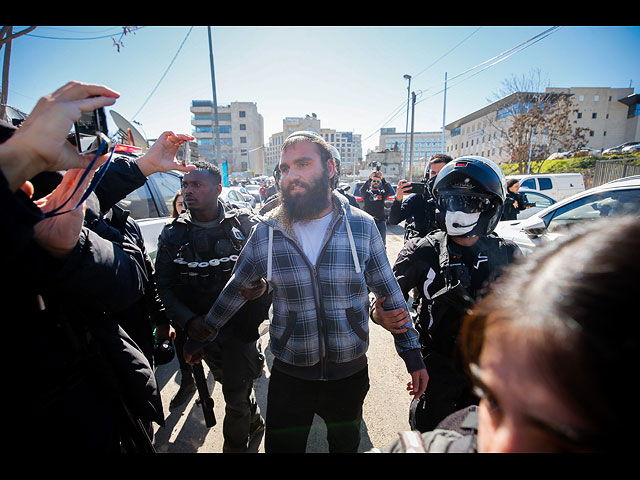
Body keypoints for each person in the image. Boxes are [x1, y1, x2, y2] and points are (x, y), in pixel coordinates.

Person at [183, 131, 428, 453]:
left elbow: (390, 295)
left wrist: (412, 355)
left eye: (302, 163)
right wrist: (201, 336)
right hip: (289, 374)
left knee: (345, 446)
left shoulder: (363, 227)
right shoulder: (266, 233)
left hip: (349, 374)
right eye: (285, 168)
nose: (291, 175)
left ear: (329, 168)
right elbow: (233, 292)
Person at [375, 215, 639, 453]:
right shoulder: (441, 441)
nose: (500, 444)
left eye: (558, 435)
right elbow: (384, 301)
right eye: (493, 398)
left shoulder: (506, 252)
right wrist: (406, 348)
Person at [1, 81, 166, 452]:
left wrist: (72, 247)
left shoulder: (60, 199)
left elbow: (128, 278)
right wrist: (17, 159)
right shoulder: (22, 160)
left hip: (98, 394)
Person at [373, 155, 520, 434]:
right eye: (451, 200)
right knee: (433, 433)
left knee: (480, 434)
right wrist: (379, 315)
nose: (458, 210)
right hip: (437, 366)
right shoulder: (421, 250)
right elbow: (382, 301)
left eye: (469, 202)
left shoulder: (509, 253)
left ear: (490, 206)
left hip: (489, 369)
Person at [154, 160, 272, 453]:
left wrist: (264, 287)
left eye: (197, 184)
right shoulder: (173, 234)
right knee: (233, 387)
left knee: (234, 397)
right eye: (185, 185)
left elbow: (277, 266)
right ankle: (254, 420)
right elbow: (164, 286)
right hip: (198, 332)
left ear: (218, 189)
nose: (188, 190)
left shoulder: (245, 224)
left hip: (239, 331)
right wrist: (187, 321)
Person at [389, 154, 452, 241]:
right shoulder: (419, 197)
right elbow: (393, 220)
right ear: (427, 175)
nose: (437, 177)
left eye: (441, 172)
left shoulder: (458, 198)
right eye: (433, 173)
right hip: (423, 249)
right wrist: (398, 199)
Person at [360, 168, 394, 245]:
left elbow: (388, 191)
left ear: (379, 183)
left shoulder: (382, 194)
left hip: (380, 222)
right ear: (371, 183)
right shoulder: (367, 194)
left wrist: (383, 179)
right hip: (368, 221)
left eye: (378, 181)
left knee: (382, 243)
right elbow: (362, 190)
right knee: (366, 243)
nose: (376, 182)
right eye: (374, 181)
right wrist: (370, 178)